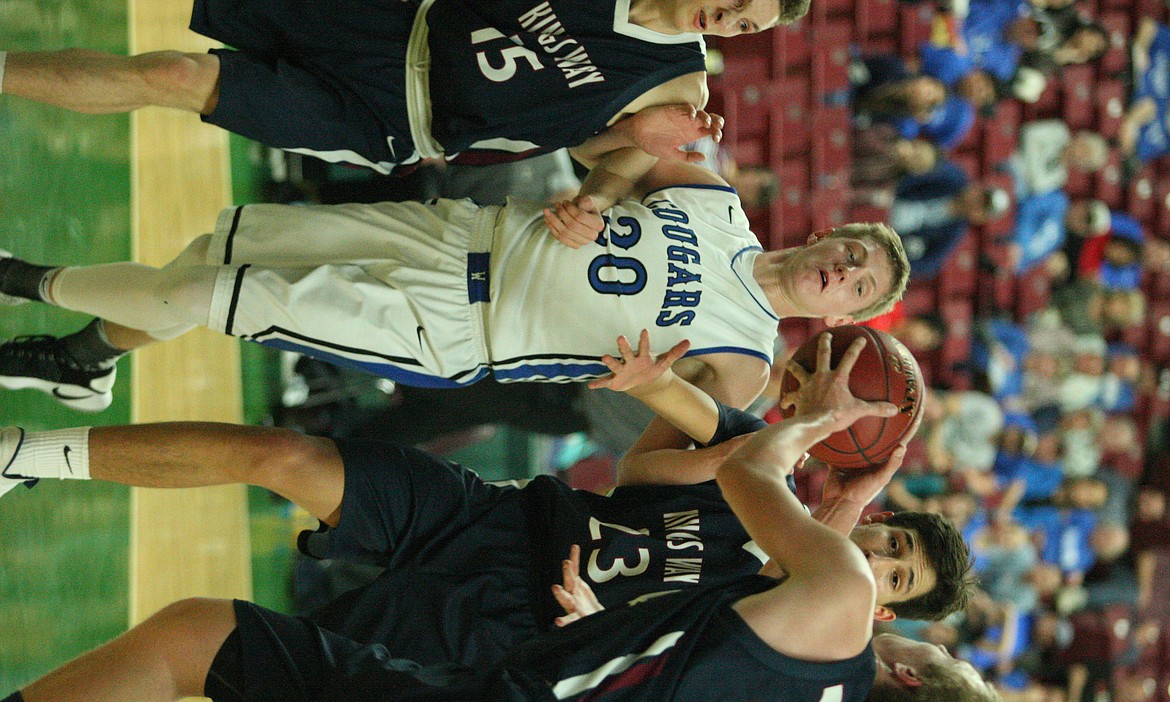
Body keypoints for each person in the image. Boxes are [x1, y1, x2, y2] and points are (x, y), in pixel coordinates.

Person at [0, 336, 1004, 702]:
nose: (881, 564)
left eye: (897, 583)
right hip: (505, 548)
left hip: (497, 679)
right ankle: (31, 454)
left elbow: (750, 494)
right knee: (226, 592)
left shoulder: (812, 602)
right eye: (892, 548)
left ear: (901, 652)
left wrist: (823, 436)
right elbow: (663, 461)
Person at [0, 155, 909, 415]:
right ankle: (84, 362)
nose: (844, 275)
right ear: (831, 231)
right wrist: (596, 196)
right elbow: (631, 147)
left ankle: (21, 280)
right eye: (854, 255)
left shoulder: (746, 359)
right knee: (204, 259)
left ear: (842, 316)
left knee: (205, 298)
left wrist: (659, 387)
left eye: (857, 291)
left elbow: (707, 433)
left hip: (457, 331)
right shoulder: (717, 204)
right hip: (455, 232)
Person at [0, 0, 807, 174]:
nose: (727, 16)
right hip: (390, 20)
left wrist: (632, 143)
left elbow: (599, 153)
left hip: (391, 117)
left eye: (742, 26)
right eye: (737, 2)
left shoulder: (677, 82)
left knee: (174, 77)